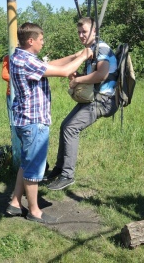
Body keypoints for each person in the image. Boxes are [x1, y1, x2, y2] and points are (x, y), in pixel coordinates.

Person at [6, 22, 93, 224]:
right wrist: (82, 57)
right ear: (31, 41)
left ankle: (15, 203)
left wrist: (75, 55)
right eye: (41, 39)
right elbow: (62, 72)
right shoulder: (26, 61)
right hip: (33, 122)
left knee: (26, 164)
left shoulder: (20, 56)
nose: (43, 43)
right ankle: (34, 211)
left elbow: (51, 64)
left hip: (23, 120)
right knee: (34, 168)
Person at [46, 17, 118, 191]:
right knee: (65, 126)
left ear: (94, 31)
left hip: (104, 100)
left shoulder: (102, 48)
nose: (80, 35)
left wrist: (77, 80)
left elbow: (101, 75)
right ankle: (59, 169)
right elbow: (70, 59)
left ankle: (67, 176)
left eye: (84, 32)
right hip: (94, 98)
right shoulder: (90, 48)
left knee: (71, 128)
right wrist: (44, 66)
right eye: (78, 32)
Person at [1, 54, 12, 128]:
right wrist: (19, 79)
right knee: (12, 120)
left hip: (27, 94)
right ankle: (14, 139)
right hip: (11, 93)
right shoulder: (8, 57)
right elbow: (4, 75)